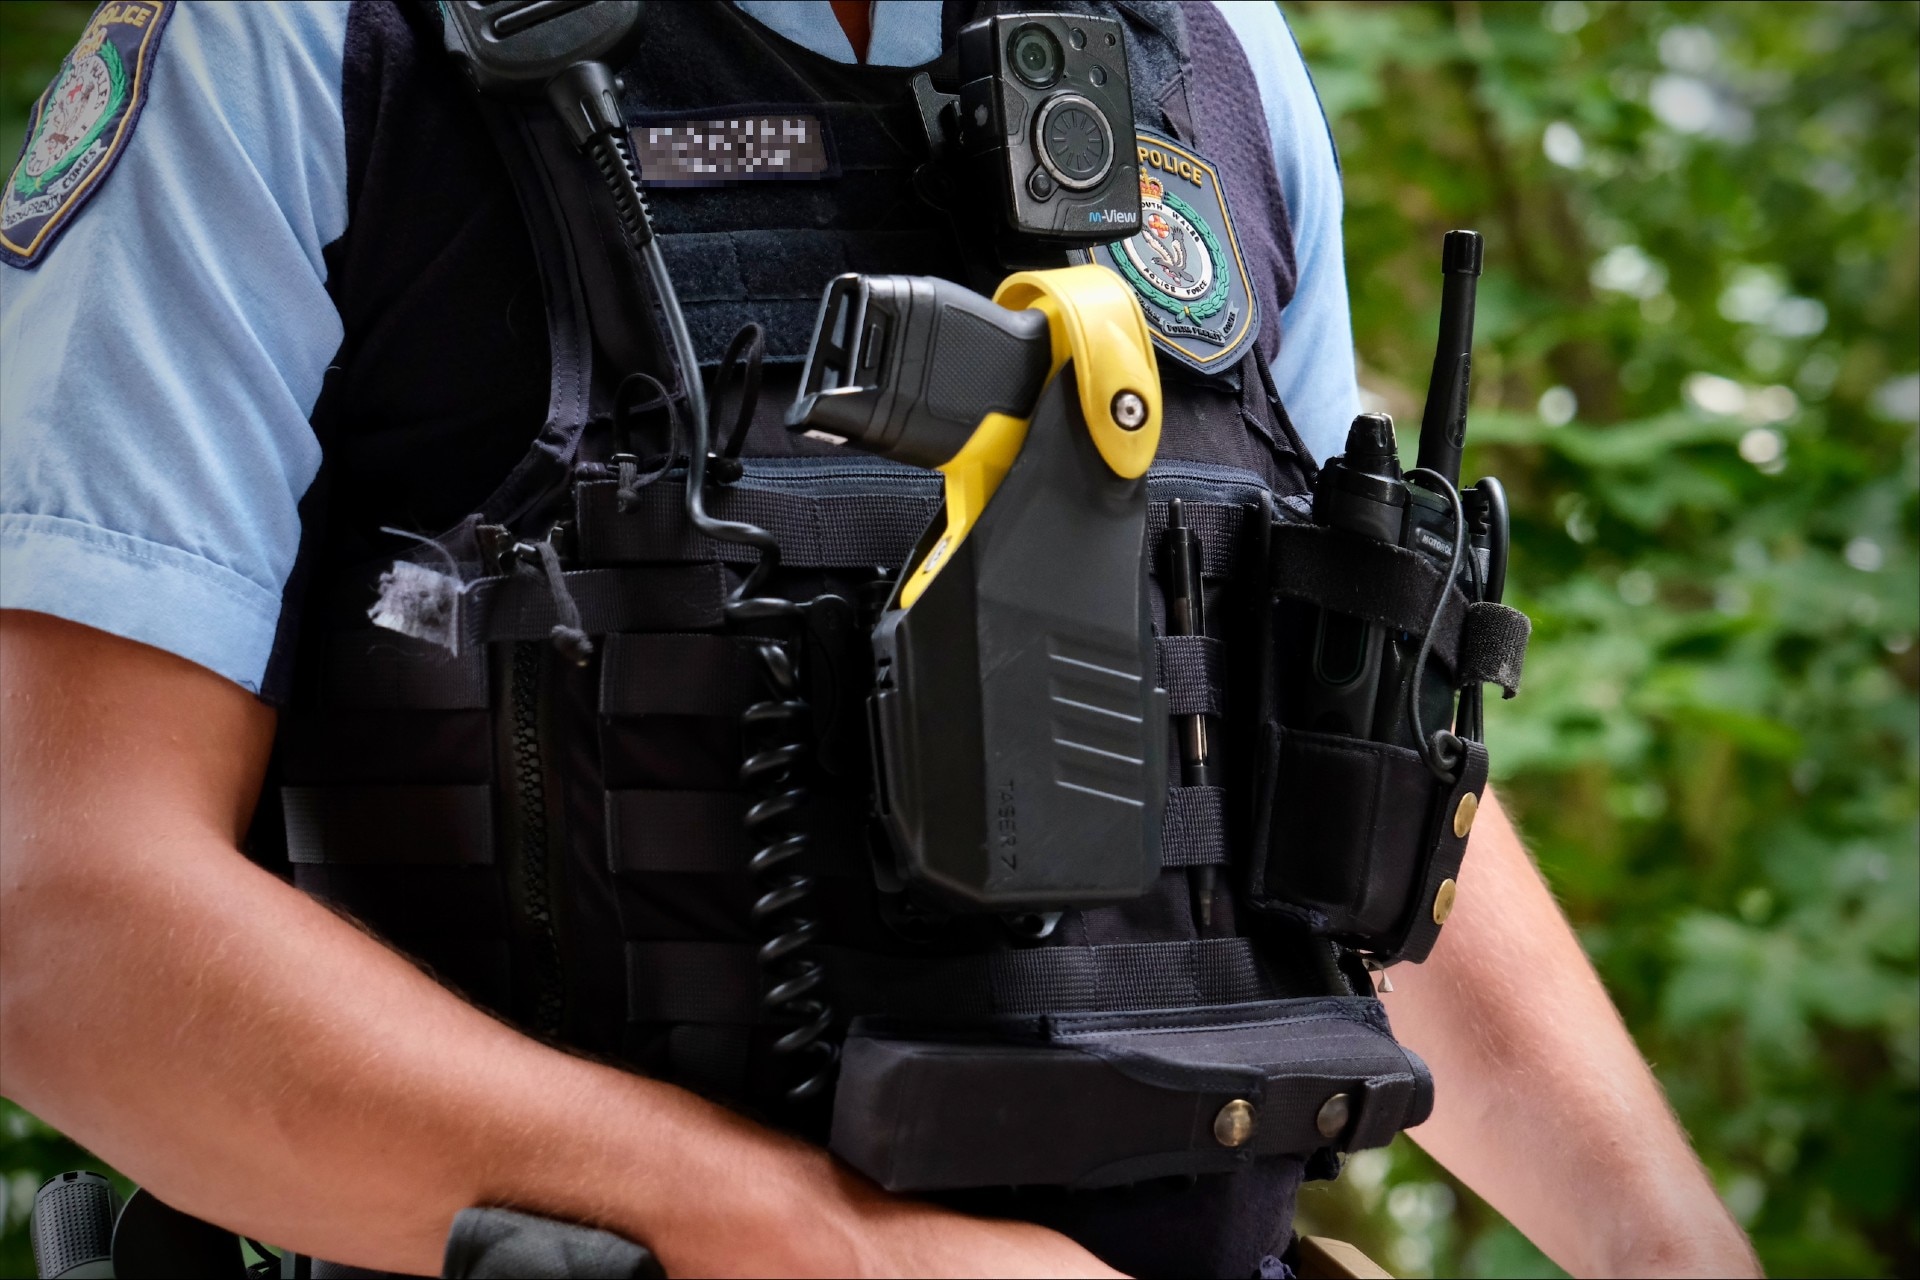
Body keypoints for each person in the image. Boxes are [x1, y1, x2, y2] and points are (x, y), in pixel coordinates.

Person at [0, 2, 1761, 1276]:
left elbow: (1315, 764)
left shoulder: (1213, 59)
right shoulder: (308, 46)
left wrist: (1664, 1246)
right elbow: (61, 909)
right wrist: (830, 1252)